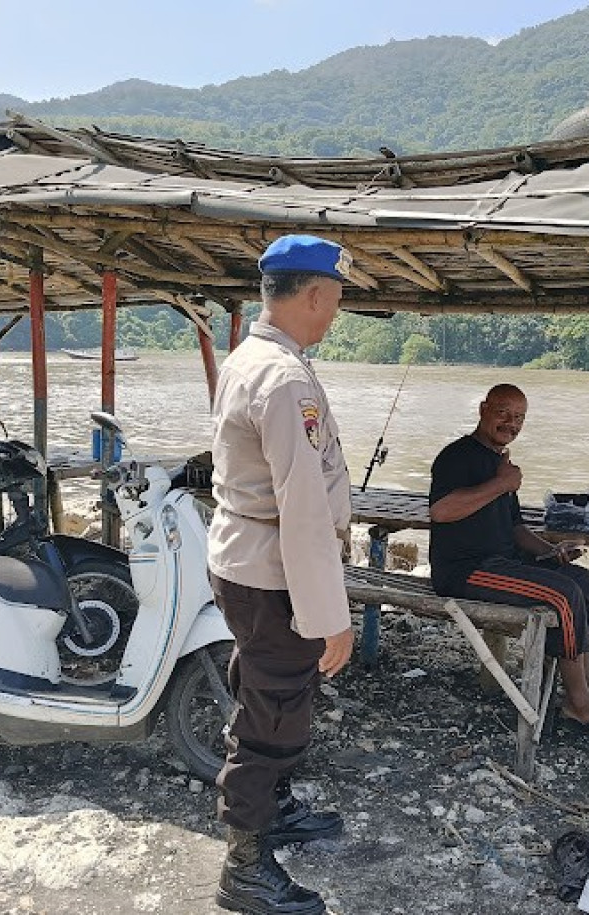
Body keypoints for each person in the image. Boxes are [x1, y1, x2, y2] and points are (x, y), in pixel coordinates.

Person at [207, 234, 356, 915]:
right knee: (274, 709)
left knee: (269, 685)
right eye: (337, 299)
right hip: (273, 569)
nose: (336, 313)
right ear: (316, 294)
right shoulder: (286, 376)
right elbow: (302, 509)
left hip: (247, 559)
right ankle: (245, 863)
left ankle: (277, 805)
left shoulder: (251, 357)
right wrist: (331, 618)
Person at [428, 383, 589, 744]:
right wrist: (499, 484)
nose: (511, 423)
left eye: (519, 418)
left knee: (583, 580)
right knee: (563, 594)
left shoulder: (500, 463)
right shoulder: (457, 456)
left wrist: (551, 552)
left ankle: (585, 679)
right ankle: (577, 702)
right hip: (465, 571)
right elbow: (441, 511)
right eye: (503, 413)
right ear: (483, 409)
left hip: (501, 562)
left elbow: (514, 527)